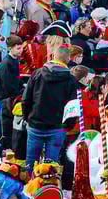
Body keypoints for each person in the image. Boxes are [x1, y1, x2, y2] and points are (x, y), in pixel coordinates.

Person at [22, 41, 79, 169]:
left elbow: (26, 99)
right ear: (68, 59)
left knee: (30, 164)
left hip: (35, 124)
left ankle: (29, 188)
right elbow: (72, 108)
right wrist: (68, 126)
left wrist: (27, 118)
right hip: (57, 128)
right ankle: (47, 188)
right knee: (51, 167)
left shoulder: (37, 74)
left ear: (53, 56)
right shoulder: (71, 80)